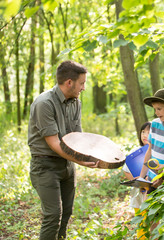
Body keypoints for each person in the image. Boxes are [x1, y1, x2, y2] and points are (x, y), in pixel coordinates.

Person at [28, 60, 99, 240]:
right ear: (69, 82)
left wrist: (97, 154)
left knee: (66, 213)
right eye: (82, 83)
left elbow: (77, 136)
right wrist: (81, 161)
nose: (83, 87)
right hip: (45, 165)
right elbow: (54, 143)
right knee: (53, 216)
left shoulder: (76, 102)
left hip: (67, 164)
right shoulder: (44, 103)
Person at [122, 121, 150, 240]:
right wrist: (136, 180)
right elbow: (126, 169)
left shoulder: (157, 151)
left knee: (152, 222)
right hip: (139, 195)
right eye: (143, 132)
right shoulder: (136, 153)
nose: (144, 135)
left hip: (152, 192)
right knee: (141, 225)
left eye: (148, 132)